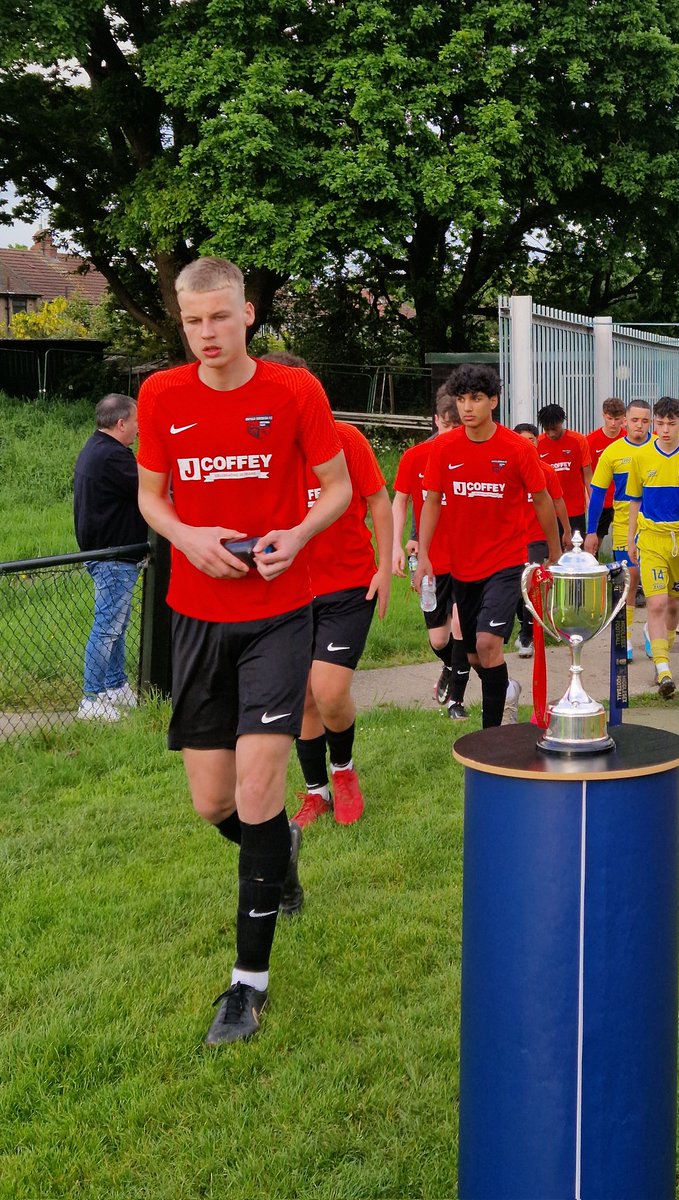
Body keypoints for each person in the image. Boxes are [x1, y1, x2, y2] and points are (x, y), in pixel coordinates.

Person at [136, 257, 352, 1046]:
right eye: (193, 323)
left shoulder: (295, 392)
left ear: (248, 314)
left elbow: (333, 487)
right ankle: (279, 849)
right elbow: (150, 497)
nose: (206, 335)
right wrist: (188, 537)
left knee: (260, 791)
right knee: (215, 803)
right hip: (196, 620)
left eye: (219, 319)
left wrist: (296, 534)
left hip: (277, 616)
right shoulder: (162, 395)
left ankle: (246, 988)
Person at [254, 352, 393, 830]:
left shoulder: (345, 439)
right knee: (304, 698)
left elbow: (378, 499)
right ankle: (316, 793)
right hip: (288, 591)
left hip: (349, 585)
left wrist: (385, 568)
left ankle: (345, 771)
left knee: (329, 691)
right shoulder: (261, 449)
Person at [416, 364, 561, 727]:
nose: (467, 407)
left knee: (487, 644)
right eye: (462, 399)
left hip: (506, 563)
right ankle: (506, 689)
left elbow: (542, 500)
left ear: (493, 401)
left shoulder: (516, 449)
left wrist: (556, 552)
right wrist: (423, 557)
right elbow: (432, 501)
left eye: (476, 399)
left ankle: (491, 737)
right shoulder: (444, 448)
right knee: (475, 656)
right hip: (462, 568)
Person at [392, 390, 473, 718]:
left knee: (460, 628)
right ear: (437, 420)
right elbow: (400, 500)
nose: (453, 434)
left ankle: (457, 701)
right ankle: (451, 668)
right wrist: (398, 544)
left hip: (467, 559)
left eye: (459, 427)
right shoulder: (415, 457)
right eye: (448, 425)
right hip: (430, 561)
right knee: (439, 640)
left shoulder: (470, 455)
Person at [625, 396, 679, 698]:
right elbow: (634, 500)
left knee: (673, 605)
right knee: (657, 604)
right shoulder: (642, 457)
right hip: (651, 540)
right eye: (659, 423)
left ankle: (663, 650)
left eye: (671, 424)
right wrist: (629, 539)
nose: (664, 429)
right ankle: (663, 670)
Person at [73, 392, 147, 720]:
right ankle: (91, 699)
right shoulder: (114, 457)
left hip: (107, 553)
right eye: (136, 423)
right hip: (113, 555)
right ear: (120, 423)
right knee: (107, 626)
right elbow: (151, 489)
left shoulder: (97, 449)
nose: (138, 430)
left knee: (116, 623)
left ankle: (114, 686)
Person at [584, 398, 653, 658]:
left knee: (658, 587)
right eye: (634, 420)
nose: (639, 425)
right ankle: (626, 638)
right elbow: (598, 493)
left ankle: (650, 629)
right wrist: (592, 531)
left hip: (656, 525)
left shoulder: (659, 446)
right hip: (625, 524)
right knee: (629, 580)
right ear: (626, 420)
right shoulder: (613, 452)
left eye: (644, 421)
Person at [514, 422, 572, 657]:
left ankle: (529, 633)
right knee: (515, 586)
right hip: (513, 539)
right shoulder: (508, 470)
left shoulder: (546, 471)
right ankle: (524, 626)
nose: (528, 444)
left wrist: (566, 531)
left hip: (537, 538)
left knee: (531, 584)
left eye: (532, 440)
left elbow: (557, 501)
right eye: (522, 440)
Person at [537, 403, 593, 540]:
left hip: (575, 509)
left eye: (555, 428)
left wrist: (593, 502)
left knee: (574, 551)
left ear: (561, 422)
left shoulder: (578, 441)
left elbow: (588, 475)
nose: (551, 433)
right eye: (547, 429)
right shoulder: (538, 443)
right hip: (548, 510)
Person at [586, 397, 626, 548]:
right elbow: (586, 472)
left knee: (623, 543)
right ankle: (595, 569)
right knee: (595, 542)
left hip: (623, 500)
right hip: (601, 500)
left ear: (623, 418)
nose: (613, 424)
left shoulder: (627, 439)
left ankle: (622, 570)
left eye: (617, 419)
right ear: (603, 415)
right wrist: (588, 496)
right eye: (610, 419)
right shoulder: (591, 440)